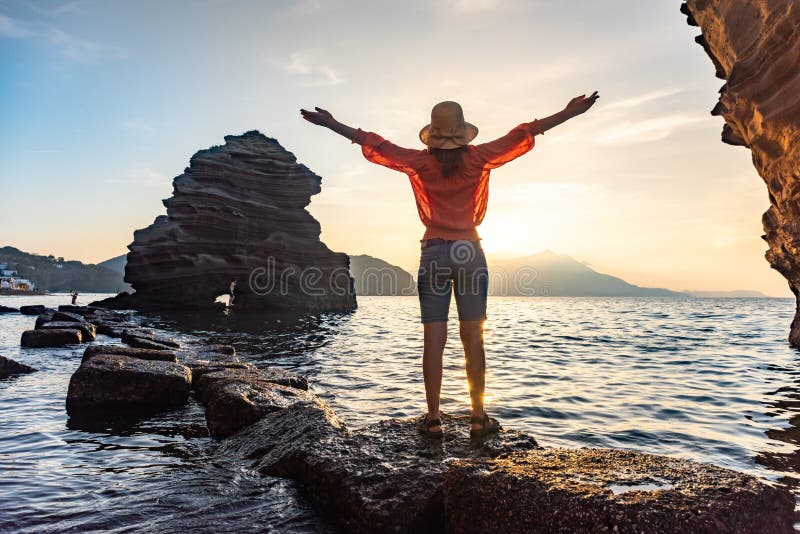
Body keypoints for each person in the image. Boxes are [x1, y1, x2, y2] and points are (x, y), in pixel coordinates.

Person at [301, 93, 599, 438]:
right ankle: (477, 416)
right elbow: (526, 133)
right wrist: (568, 112)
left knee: (434, 337)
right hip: (469, 251)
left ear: (434, 133)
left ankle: (433, 419)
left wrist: (330, 123)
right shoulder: (480, 158)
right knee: (474, 337)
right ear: (462, 133)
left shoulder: (420, 162)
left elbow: (375, 143)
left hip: (434, 252)